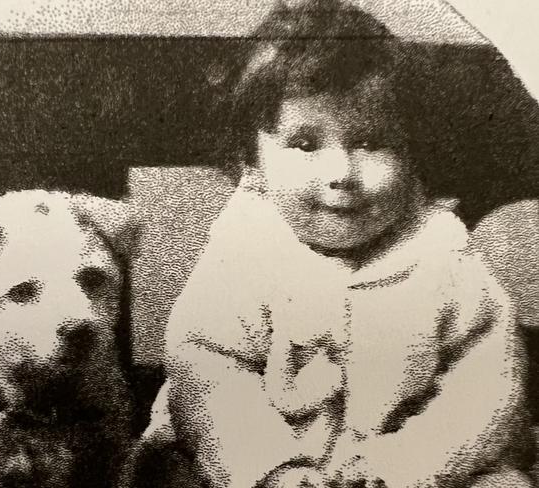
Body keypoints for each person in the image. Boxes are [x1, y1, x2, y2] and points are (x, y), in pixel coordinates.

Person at [139, 1, 533, 487]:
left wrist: (409, 465)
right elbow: (204, 371)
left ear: (412, 152)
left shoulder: (441, 256)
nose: (340, 174)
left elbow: (488, 382)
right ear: (253, 162)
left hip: (409, 467)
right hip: (253, 467)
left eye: (370, 142)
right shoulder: (244, 253)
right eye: (305, 145)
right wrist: (273, 470)